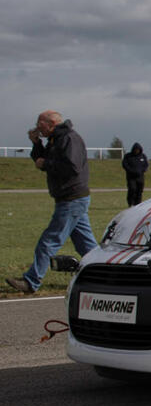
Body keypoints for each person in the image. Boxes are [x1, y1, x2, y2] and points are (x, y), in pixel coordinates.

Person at [5, 111, 99, 294]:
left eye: (40, 125)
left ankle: (31, 282)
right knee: (87, 246)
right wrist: (36, 144)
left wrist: (46, 164)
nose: (38, 128)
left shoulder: (69, 139)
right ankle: (109, 273)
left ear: (52, 123)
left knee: (48, 241)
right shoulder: (56, 139)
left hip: (72, 198)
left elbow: (71, 167)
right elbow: (44, 159)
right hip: (69, 198)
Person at [121, 141, 149, 206]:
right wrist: (131, 171)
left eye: (138, 150)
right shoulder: (128, 156)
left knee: (139, 191)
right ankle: (130, 202)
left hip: (140, 177)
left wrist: (143, 170)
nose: (137, 151)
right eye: (136, 149)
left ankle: (138, 204)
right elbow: (124, 165)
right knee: (132, 189)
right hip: (131, 177)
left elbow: (146, 165)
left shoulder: (143, 156)